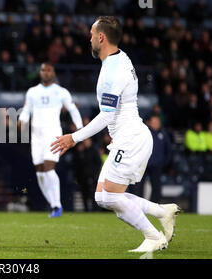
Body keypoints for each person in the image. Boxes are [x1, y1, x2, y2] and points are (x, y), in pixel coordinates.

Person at [51, 16, 181, 253]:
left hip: (131, 138)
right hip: (129, 137)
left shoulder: (113, 71)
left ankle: (153, 236)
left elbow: (107, 116)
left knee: (109, 197)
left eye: (92, 34)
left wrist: (74, 137)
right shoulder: (120, 58)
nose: (89, 38)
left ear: (101, 37)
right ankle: (163, 212)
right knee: (103, 196)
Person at [19, 62, 83, 217]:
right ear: (40, 72)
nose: (46, 72)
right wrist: (22, 121)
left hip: (52, 134)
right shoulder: (32, 92)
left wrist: (81, 129)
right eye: (43, 70)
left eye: (48, 70)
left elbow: (72, 109)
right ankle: (54, 205)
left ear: (53, 73)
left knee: (48, 168)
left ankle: (57, 205)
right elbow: (27, 110)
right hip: (36, 136)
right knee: (40, 172)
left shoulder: (61, 92)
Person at [130, 115, 172, 203]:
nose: (156, 124)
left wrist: (163, 163)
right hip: (143, 165)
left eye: (158, 122)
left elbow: (168, 150)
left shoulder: (163, 134)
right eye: (154, 122)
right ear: (149, 123)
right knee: (138, 186)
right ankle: (138, 204)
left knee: (157, 187)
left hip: (157, 166)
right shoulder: (144, 133)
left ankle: (154, 205)